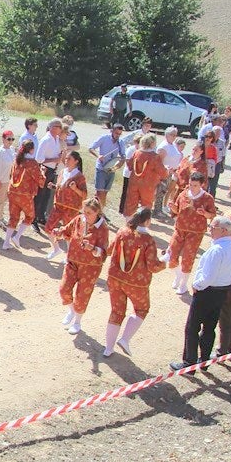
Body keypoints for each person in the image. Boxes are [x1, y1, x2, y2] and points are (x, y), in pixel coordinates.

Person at [170, 216, 231, 370]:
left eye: (213, 227)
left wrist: (196, 285)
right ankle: (204, 360)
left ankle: (189, 362)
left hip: (207, 291)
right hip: (222, 291)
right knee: (209, 327)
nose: (210, 229)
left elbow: (208, 276)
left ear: (223, 231)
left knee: (192, 327)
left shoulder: (217, 250)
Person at [103, 206, 165, 357]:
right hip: (136, 283)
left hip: (115, 277)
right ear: (148, 221)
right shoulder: (148, 240)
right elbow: (152, 266)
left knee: (116, 311)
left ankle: (108, 348)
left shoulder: (122, 232)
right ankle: (125, 339)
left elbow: (110, 250)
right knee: (141, 309)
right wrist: (164, 261)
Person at [57, 198, 109, 336]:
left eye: (89, 212)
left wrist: (92, 248)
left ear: (97, 212)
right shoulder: (79, 219)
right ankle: (72, 310)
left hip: (90, 267)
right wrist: (59, 232)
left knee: (82, 295)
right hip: (73, 261)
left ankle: (77, 322)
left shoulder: (102, 228)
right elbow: (67, 230)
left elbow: (103, 253)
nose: (85, 215)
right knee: (64, 289)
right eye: (84, 211)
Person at [165, 173, 217, 294]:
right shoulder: (183, 194)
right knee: (171, 255)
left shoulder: (207, 198)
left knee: (188, 258)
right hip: (180, 228)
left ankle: (183, 284)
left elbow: (212, 215)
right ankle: (178, 275)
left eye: (195, 185)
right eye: (190, 184)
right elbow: (178, 210)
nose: (192, 187)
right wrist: (173, 208)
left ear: (201, 185)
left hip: (196, 232)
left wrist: (205, 213)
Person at [45, 151, 88, 261]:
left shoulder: (79, 177)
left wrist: (75, 189)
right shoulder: (62, 172)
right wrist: (54, 186)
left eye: (69, 159)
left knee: (68, 233)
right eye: (66, 158)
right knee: (48, 227)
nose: (66, 160)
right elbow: (62, 188)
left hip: (71, 208)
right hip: (58, 205)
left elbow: (84, 195)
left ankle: (69, 255)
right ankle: (56, 249)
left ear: (76, 161)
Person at [2, 141, 44, 250]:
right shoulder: (32, 163)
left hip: (12, 191)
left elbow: (11, 174)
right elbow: (40, 180)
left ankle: (6, 242)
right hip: (25, 194)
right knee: (30, 216)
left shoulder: (17, 160)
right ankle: (17, 237)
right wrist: (43, 172)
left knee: (13, 217)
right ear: (31, 149)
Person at [123, 133, 168, 217]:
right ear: (152, 143)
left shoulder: (136, 153)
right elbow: (163, 172)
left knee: (131, 203)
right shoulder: (155, 157)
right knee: (146, 204)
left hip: (134, 182)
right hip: (148, 185)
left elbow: (129, 166)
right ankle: (142, 225)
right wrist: (167, 170)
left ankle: (129, 222)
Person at [32, 118, 63, 231]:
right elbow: (39, 159)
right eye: (58, 127)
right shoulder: (46, 140)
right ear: (53, 128)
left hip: (53, 170)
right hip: (45, 170)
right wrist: (54, 159)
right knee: (39, 195)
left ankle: (41, 216)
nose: (60, 129)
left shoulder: (56, 139)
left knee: (47, 195)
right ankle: (33, 218)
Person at [88, 123, 126, 212]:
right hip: (101, 169)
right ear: (112, 131)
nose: (118, 136)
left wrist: (118, 165)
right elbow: (91, 148)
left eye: (120, 134)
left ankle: (100, 211)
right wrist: (98, 156)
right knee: (99, 192)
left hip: (111, 170)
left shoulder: (120, 143)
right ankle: (95, 211)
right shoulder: (104, 138)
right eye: (116, 133)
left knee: (104, 193)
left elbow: (123, 157)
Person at [0, 130, 17, 228]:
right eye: (8, 139)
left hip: (9, 178)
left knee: (5, 198)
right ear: (3, 139)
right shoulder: (0, 152)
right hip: (2, 179)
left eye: (12, 139)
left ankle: (0, 216)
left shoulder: (12, 149)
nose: (10, 141)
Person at [155, 128, 184, 217]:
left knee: (164, 191)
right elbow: (158, 161)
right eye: (172, 135)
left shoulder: (173, 145)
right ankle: (157, 210)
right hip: (163, 172)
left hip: (171, 173)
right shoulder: (164, 146)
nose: (174, 137)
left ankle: (159, 209)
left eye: (175, 135)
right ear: (166, 135)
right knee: (160, 191)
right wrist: (166, 169)